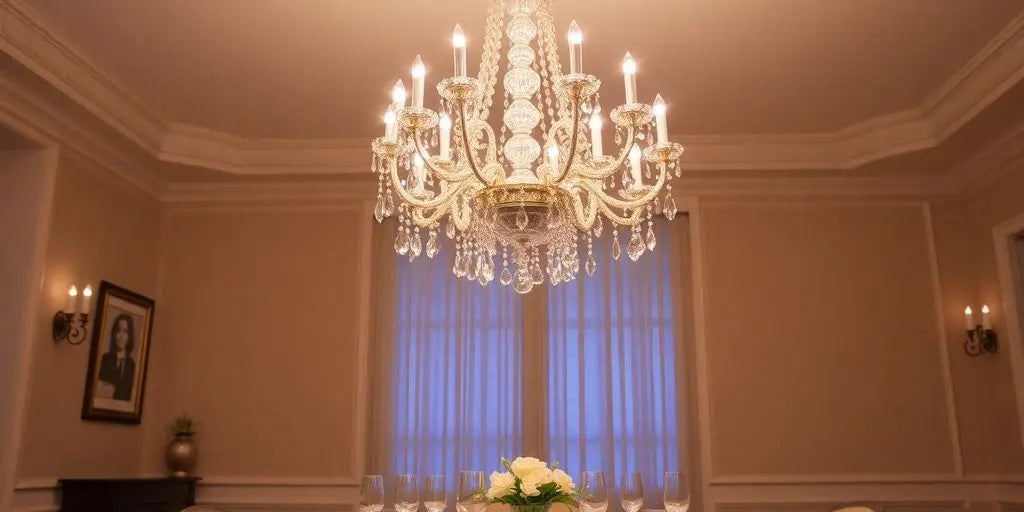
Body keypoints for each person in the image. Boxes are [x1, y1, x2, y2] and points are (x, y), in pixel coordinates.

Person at [98, 313, 136, 401]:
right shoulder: (105, 359)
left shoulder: (132, 365)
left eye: (126, 332)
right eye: (118, 330)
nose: (121, 336)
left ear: (130, 336)